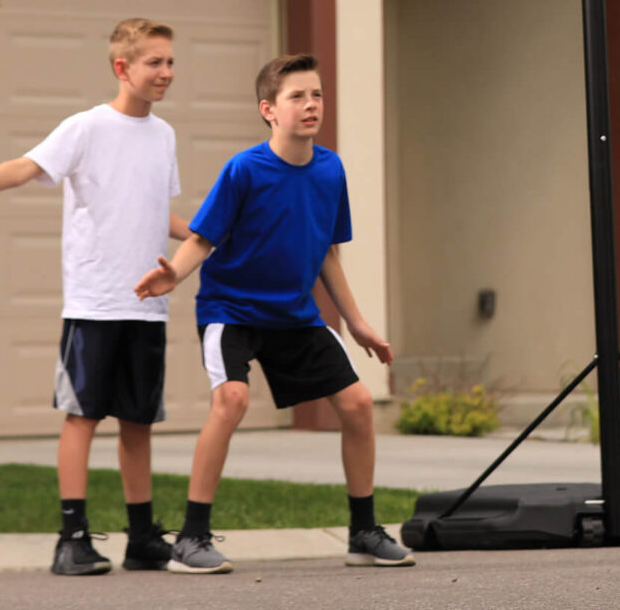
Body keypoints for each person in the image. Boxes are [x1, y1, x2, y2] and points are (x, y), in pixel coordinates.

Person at [0, 17, 190, 575]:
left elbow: (153, 211)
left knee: (138, 421)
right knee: (82, 417)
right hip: (94, 303)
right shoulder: (86, 127)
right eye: (155, 62)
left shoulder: (164, 135)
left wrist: (209, 238)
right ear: (123, 68)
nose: (166, 72)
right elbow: (26, 167)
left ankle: (142, 538)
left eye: (170, 62)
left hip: (146, 306)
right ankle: (72, 540)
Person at [134, 52, 414, 573]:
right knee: (232, 400)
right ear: (269, 109)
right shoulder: (244, 169)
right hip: (232, 310)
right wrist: (174, 276)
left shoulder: (330, 170)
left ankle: (363, 532)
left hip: (295, 316)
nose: (311, 105)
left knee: (357, 404)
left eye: (317, 95)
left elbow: (327, 254)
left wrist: (357, 324)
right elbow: (203, 238)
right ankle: (191, 539)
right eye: (297, 97)